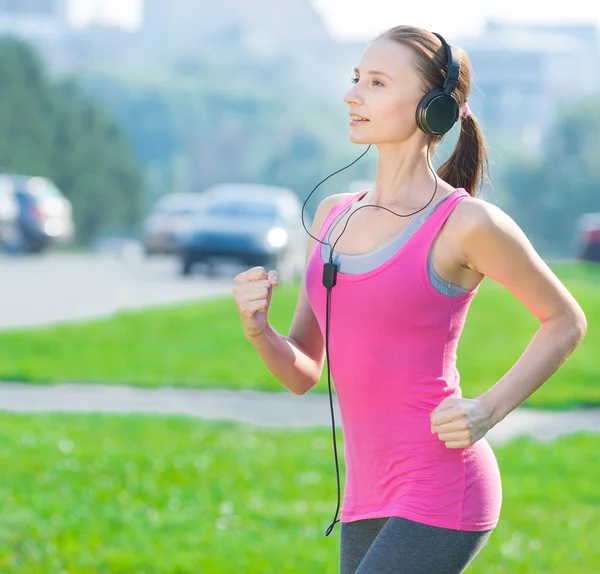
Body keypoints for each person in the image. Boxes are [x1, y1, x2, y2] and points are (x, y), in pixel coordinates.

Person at [232, 25, 587, 573]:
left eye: (376, 82)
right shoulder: (331, 216)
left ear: (435, 110)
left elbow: (565, 319)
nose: (352, 95)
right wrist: (259, 330)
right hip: (365, 495)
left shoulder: (466, 223)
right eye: (356, 78)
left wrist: (488, 410)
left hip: (444, 489)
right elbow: (304, 372)